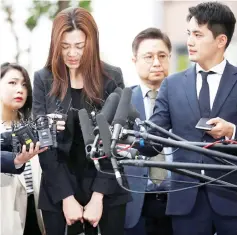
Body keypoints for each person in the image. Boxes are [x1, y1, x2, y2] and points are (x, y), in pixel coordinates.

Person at [32, 7, 130, 235]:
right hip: (58, 186)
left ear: (92, 44)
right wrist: (66, 197)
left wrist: (98, 197)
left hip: (105, 185)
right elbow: (44, 144)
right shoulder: (43, 79)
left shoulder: (111, 77)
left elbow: (116, 140)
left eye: (79, 46)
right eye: (65, 46)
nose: (72, 53)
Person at [149, 2, 237, 235]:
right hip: (185, 203)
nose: (189, 41)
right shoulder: (172, 84)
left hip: (232, 198)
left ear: (221, 41)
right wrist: (131, 139)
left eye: (198, 34)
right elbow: (154, 137)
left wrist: (232, 131)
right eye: (189, 34)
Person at [124, 28, 173, 235]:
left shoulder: (185, 99)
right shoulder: (122, 102)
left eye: (162, 56)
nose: (156, 62)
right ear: (134, 60)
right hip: (135, 204)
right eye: (149, 56)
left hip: (178, 201)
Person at [0, 62, 46, 235]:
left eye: (24, 84)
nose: (20, 89)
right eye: (12, 83)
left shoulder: (35, 127)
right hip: (5, 215)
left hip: (36, 213)